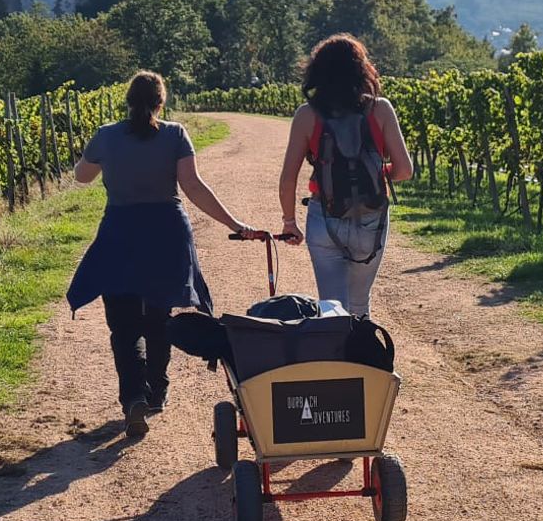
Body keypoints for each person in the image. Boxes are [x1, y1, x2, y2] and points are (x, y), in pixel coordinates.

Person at [68, 71, 257, 438]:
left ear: (127, 101)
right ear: (161, 102)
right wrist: (233, 222)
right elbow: (193, 188)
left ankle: (134, 397)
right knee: (158, 318)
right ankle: (157, 391)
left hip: (120, 234)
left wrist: (94, 156)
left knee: (123, 325)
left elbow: (82, 177)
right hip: (166, 234)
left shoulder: (106, 135)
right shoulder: (175, 135)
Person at [276, 35, 414, 318]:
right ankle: (365, 359)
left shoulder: (307, 115)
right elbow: (404, 170)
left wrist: (290, 222)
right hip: (371, 217)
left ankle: (334, 357)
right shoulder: (381, 109)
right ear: (362, 69)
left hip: (324, 215)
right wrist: (377, 173)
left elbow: (288, 178)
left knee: (332, 308)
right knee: (360, 303)